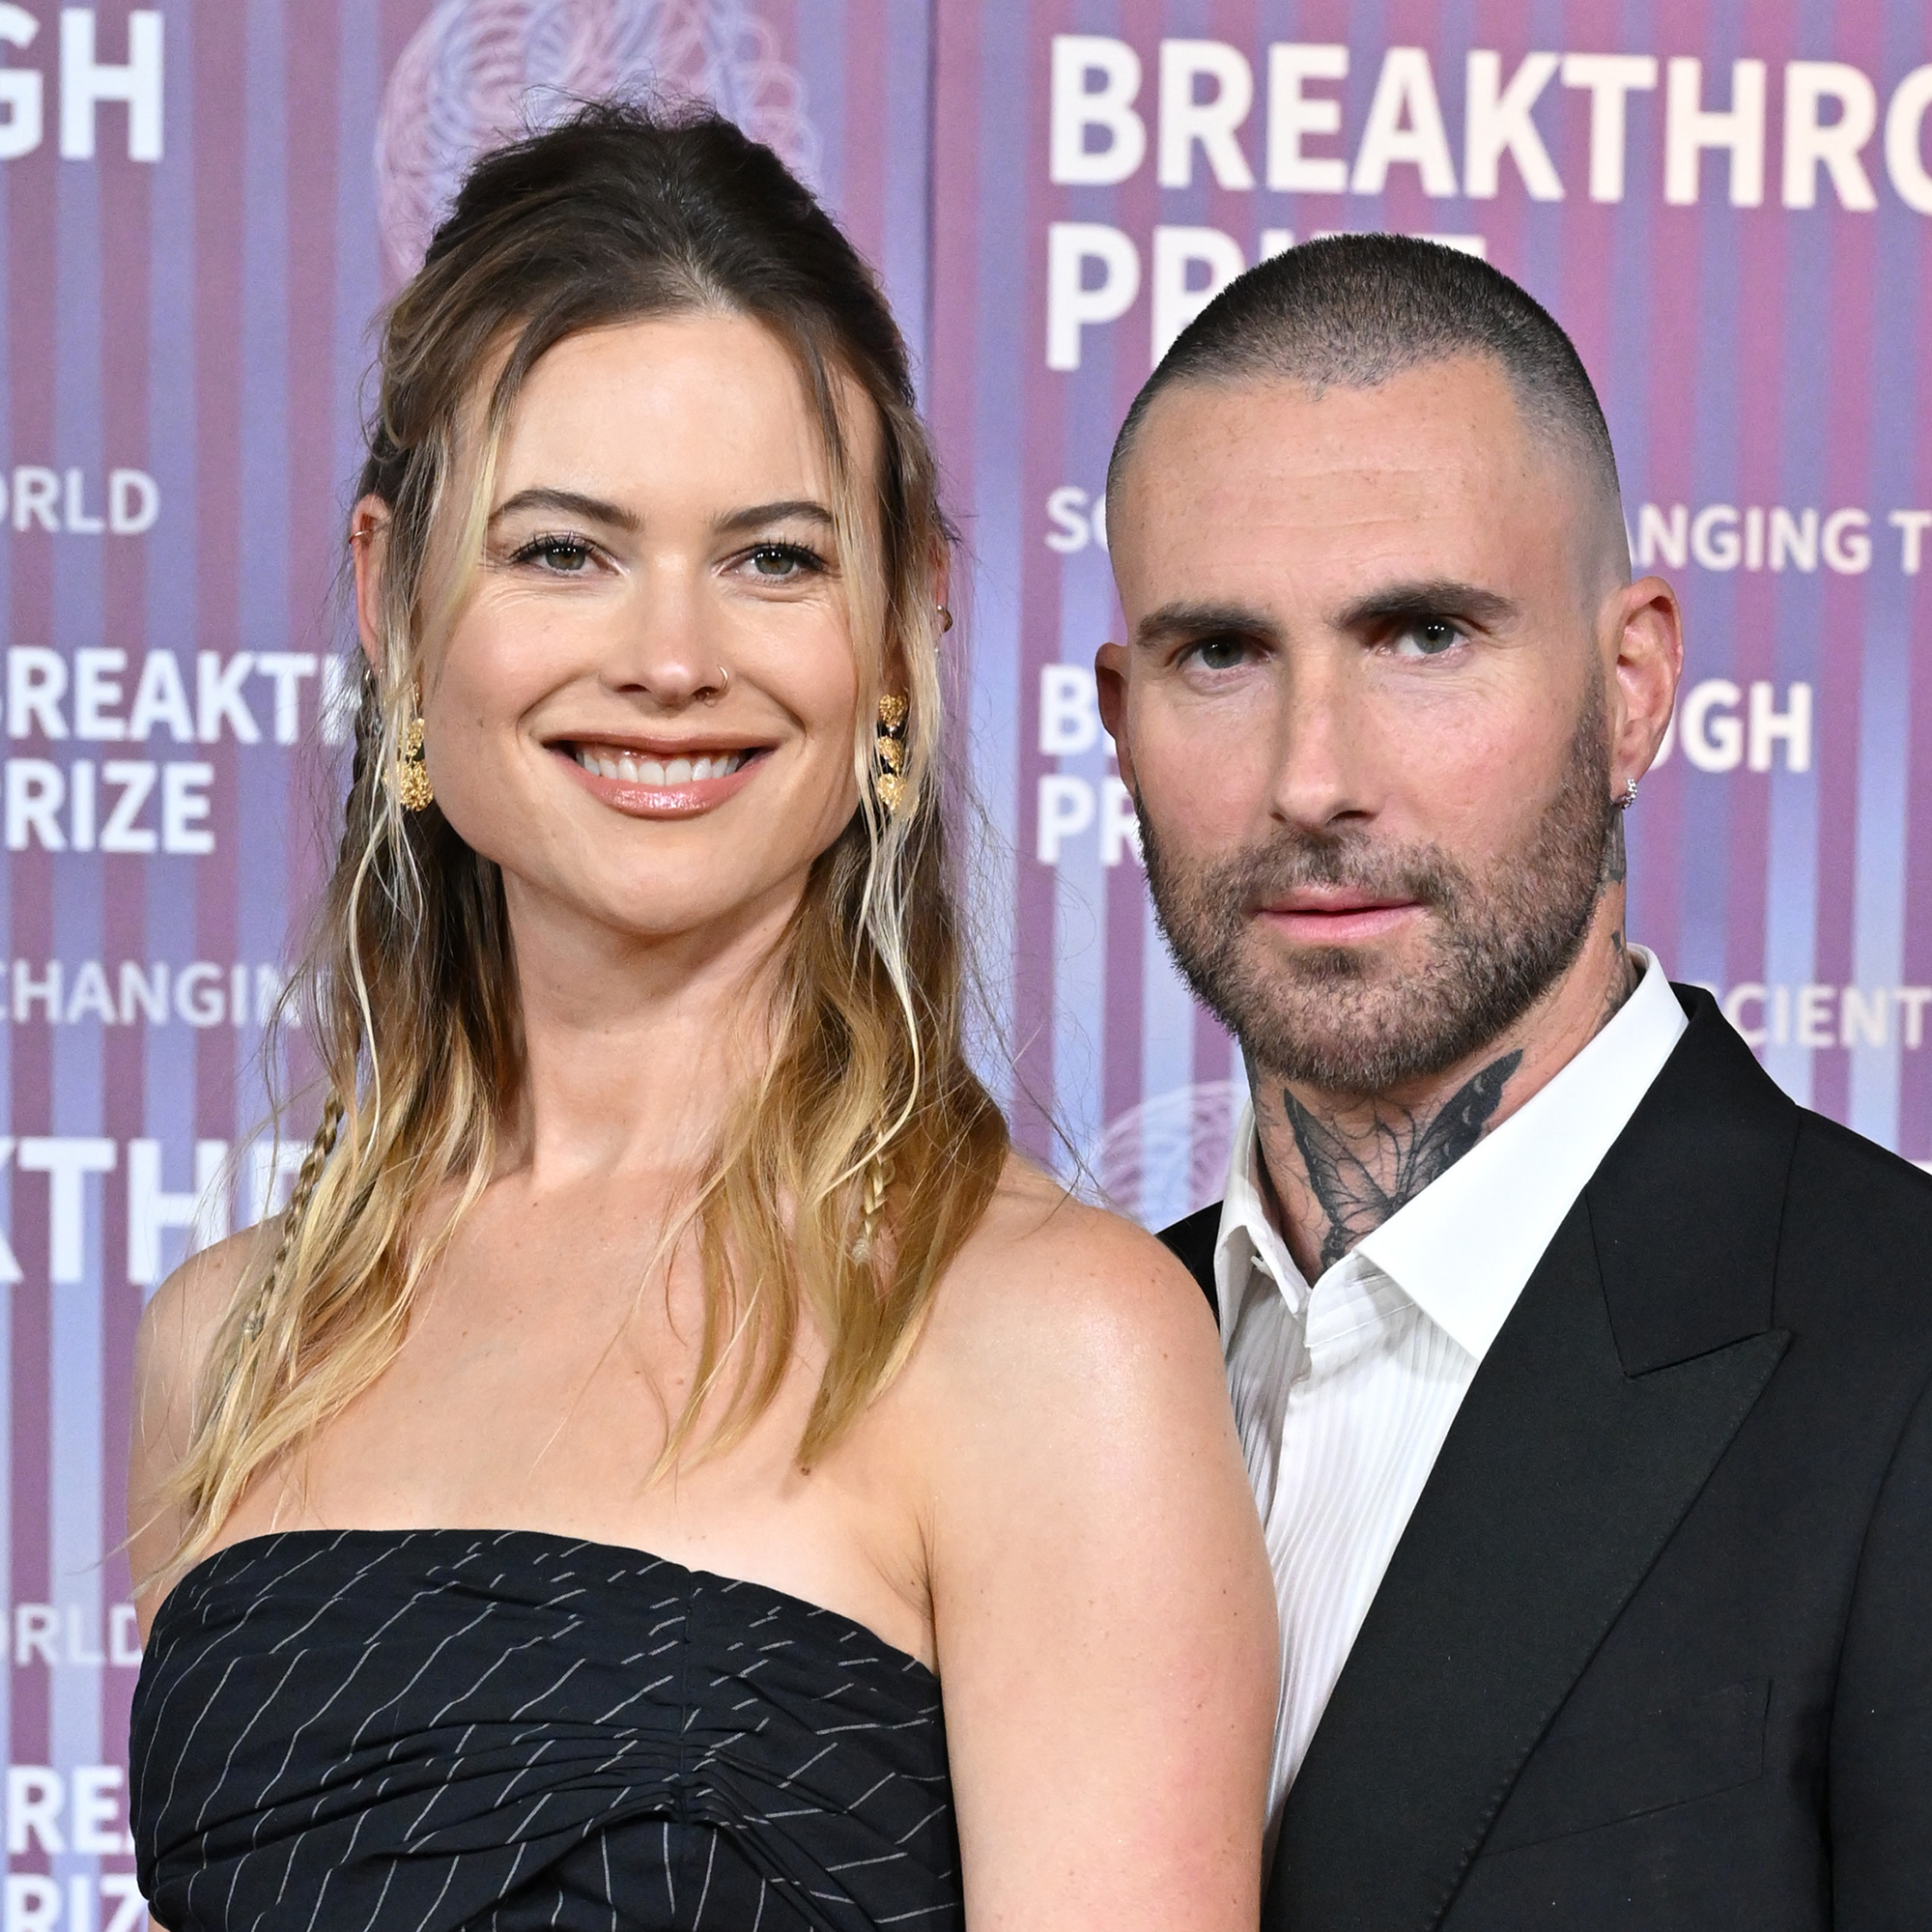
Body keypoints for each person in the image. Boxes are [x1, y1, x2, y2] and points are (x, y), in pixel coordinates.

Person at [126, 102, 1275, 1932]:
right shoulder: (233, 1345)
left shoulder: (1053, 1347)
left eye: (774, 560)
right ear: (391, 602)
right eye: (564, 551)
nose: (671, 660)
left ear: (902, 632)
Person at [1096, 232, 1932, 1931]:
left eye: (1422, 636)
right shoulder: (1051, 1367)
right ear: (1119, 719)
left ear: (1632, 688)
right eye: (1219, 655)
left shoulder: (1902, 1361)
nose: (1312, 778)